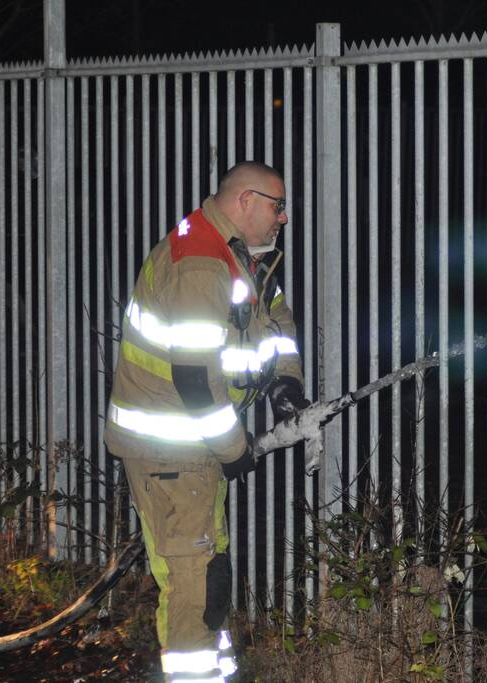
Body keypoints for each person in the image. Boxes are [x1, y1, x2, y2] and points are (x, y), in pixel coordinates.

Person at [104, 161, 310, 682]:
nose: (283, 217)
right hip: (172, 448)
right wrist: (234, 449)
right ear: (245, 202)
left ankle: (215, 674)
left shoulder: (237, 253)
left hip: (195, 450)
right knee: (192, 582)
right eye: (276, 205)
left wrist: (287, 380)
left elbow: (275, 313)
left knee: (209, 572)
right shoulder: (200, 263)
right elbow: (196, 379)